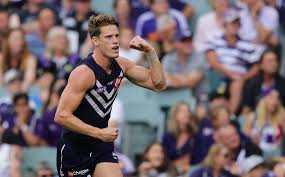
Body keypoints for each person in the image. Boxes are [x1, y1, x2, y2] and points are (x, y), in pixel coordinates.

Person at [54, 14, 166, 177]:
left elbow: (158, 84)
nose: (115, 41)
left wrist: (150, 52)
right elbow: (61, 116)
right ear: (95, 40)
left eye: (116, 36)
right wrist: (98, 133)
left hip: (101, 146)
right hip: (75, 149)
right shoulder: (84, 73)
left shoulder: (121, 65)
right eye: (108, 37)